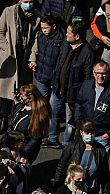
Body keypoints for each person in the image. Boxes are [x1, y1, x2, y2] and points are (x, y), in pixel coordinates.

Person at [0, 0, 39, 125]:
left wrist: (33, 56)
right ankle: (4, 117)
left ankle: (16, 117)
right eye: (26, 1)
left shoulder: (36, 16)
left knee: (22, 90)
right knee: (5, 89)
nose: (28, 4)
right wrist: (7, 48)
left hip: (25, 56)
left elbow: (36, 38)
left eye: (31, 1)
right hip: (10, 56)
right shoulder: (8, 11)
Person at [52, 21, 96, 145]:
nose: (66, 35)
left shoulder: (87, 53)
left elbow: (88, 78)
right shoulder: (67, 45)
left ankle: (67, 144)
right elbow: (59, 64)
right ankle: (52, 138)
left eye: (68, 33)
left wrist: (80, 96)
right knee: (54, 113)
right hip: (58, 89)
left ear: (77, 37)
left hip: (73, 94)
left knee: (70, 121)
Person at [53, 120, 110, 194]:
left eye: (92, 133)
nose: (89, 135)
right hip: (73, 188)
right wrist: (56, 188)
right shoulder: (72, 147)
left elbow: (105, 174)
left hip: (91, 190)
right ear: (81, 132)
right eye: (87, 133)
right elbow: (61, 167)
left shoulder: (101, 150)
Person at [73, 60, 110, 151]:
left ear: (108, 73)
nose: (100, 76)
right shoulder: (86, 85)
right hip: (85, 135)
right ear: (93, 73)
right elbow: (79, 104)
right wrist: (78, 124)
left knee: (101, 164)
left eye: (103, 73)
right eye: (97, 73)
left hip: (102, 137)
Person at [32, 16, 66, 148]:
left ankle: (53, 137)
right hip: (41, 76)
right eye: (42, 27)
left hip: (54, 80)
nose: (44, 30)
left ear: (54, 27)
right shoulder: (40, 35)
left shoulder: (61, 40)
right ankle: (41, 131)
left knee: (53, 110)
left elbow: (61, 61)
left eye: (46, 27)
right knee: (41, 106)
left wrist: (56, 80)